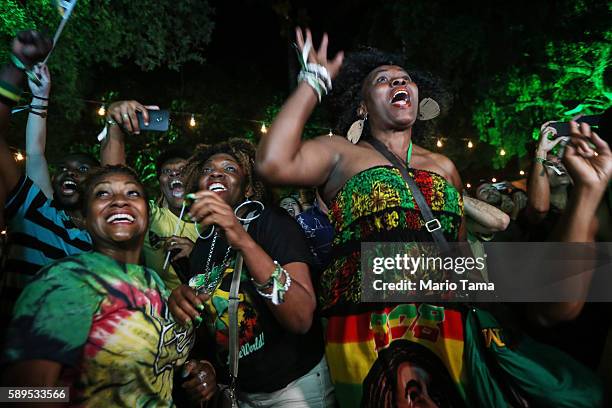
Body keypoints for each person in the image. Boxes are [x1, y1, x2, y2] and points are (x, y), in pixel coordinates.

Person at [257, 28, 605, 407]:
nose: (398, 82)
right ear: (362, 106)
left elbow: (458, 252)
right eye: (383, 80)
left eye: (404, 79)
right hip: (363, 321)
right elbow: (273, 163)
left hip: (443, 320)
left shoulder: (443, 166)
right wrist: (314, 81)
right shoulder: (340, 152)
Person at [0, 165, 214, 407]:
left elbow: (153, 363)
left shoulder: (153, 282)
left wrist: (200, 369)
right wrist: (87, 395)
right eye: (103, 194)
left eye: (133, 193)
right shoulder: (69, 280)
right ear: (86, 217)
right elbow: (16, 394)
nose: (120, 201)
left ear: (147, 212)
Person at [169, 139, 335, 407]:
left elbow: (301, 317)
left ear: (247, 188)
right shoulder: (202, 249)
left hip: (295, 388)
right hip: (242, 394)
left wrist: (241, 238)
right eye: (207, 170)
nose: (216, 172)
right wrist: (207, 365)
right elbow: (214, 328)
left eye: (230, 169)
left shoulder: (272, 223)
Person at [0, 31, 96, 340]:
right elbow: (36, 153)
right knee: (24, 394)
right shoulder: (36, 211)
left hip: (71, 364)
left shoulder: (104, 239)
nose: (69, 173)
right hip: (15, 353)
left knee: (54, 394)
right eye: (64, 169)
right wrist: (33, 86)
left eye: (82, 169)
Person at [100, 101, 198, 289]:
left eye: (183, 170)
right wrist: (114, 125)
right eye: (167, 172)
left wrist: (197, 254)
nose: (175, 174)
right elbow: (115, 184)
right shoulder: (150, 216)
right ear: (160, 183)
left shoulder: (215, 223)